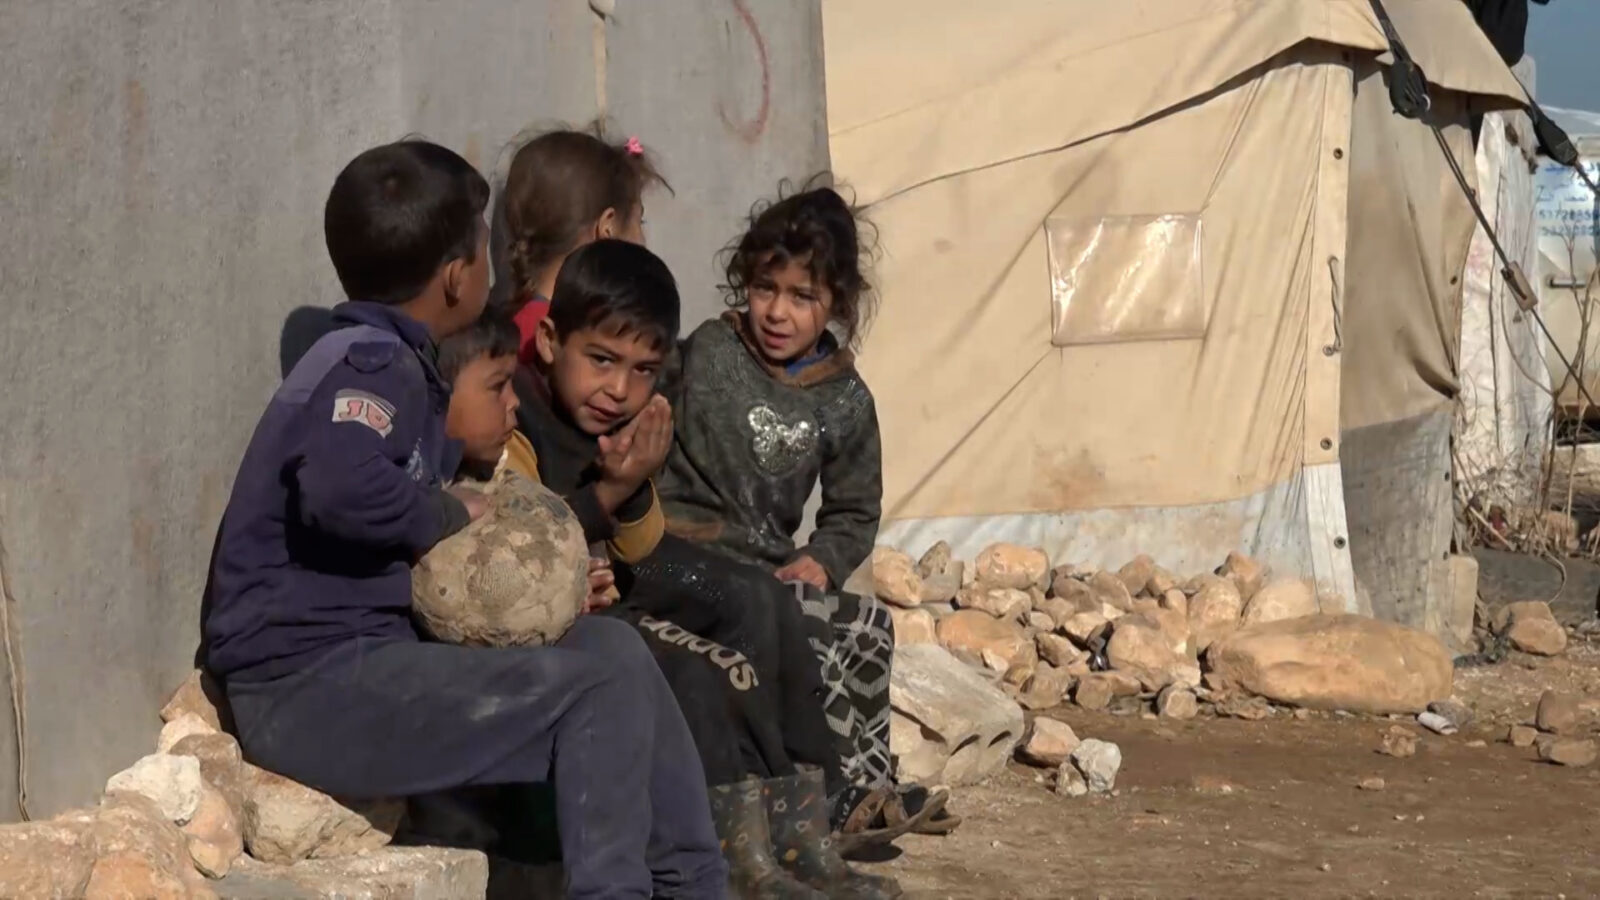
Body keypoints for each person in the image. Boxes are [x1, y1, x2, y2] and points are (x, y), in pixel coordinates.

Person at [202, 140, 725, 900]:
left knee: (614, 651)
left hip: (357, 668)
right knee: (594, 690)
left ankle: (695, 886)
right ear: (456, 276)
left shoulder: (391, 360)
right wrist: (447, 511)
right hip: (306, 690)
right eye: (483, 247)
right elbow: (338, 488)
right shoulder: (369, 364)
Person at [510, 239, 901, 899]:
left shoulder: (621, 415)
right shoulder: (522, 420)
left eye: (643, 370)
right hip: (570, 608)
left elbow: (641, 543)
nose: (619, 389)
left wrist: (632, 483)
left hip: (621, 575)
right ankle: (733, 854)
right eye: (602, 360)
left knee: (760, 599)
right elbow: (521, 542)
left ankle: (810, 819)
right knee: (702, 672)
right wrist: (611, 491)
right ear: (550, 342)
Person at [656, 181, 958, 843]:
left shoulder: (845, 400)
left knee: (867, 625)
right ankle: (828, 796)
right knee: (803, 625)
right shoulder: (707, 353)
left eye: (802, 296)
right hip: (682, 557)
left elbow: (853, 510)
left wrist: (822, 559)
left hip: (767, 571)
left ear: (836, 303)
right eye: (765, 288)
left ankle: (870, 787)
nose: (777, 312)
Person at [501, 126, 669, 363]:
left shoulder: (514, 326)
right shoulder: (560, 343)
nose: (643, 241)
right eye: (639, 222)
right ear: (607, 228)